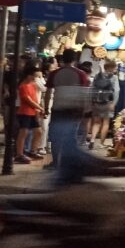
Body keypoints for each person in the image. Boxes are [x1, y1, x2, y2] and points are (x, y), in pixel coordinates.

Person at [44, 49, 94, 185]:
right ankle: (68, 163)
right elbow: (85, 93)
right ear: (74, 60)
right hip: (74, 110)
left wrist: (45, 108)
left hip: (58, 108)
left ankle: (56, 163)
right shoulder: (81, 74)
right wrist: (84, 110)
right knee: (71, 137)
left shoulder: (55, 73)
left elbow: (48, 92)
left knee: (55, 138)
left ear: (62, 59)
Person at [15, 65, 44, 164]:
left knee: (38, 131)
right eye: (34, 76)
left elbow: (35, 98)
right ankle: (19, 154)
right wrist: (39, 108)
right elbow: (28, 100)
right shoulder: (23, 86)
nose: (35, 78)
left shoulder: (33, 85)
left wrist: (38, 109)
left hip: (32, 112)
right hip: (24, 112)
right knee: (24, 133)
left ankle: (33, 151)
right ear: (28, 75)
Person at [88, 61, 119, 149]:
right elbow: (116, 91)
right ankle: (101, 143)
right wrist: (114, 103)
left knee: (96, 122)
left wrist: (92, 100)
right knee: (106, 123)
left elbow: (92, 88)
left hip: (97, 102)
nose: (115, 69)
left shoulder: (98, 76)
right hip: (108, 102)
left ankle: (92, 140)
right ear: (112, 67)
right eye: (115, 67)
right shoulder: (114, 77)